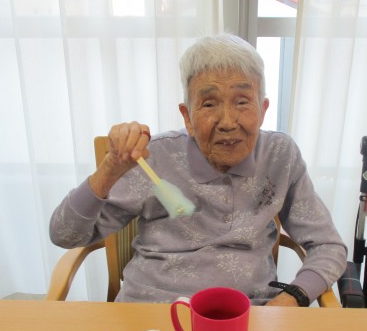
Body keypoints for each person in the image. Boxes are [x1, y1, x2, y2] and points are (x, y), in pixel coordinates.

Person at [50, 34, 346, 306]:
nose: (227, 122)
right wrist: (109, 169)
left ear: (263, 110)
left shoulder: (280, 155)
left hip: (247, 314)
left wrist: (293, 296)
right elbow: (65, 235)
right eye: (209, 104)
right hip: (151, 309)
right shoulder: (152, 157)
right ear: (187, 116)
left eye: (242, 102)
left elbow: (328, 246)